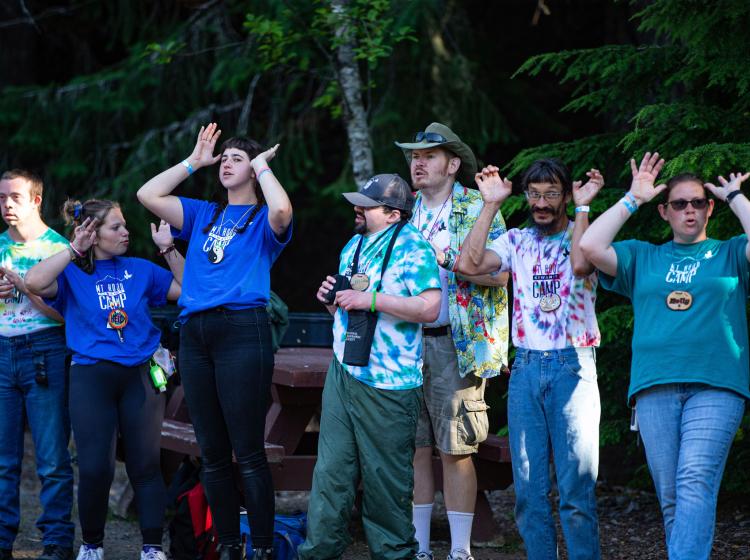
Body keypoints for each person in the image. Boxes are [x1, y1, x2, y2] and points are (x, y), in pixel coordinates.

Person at [579, 153, 750, 559]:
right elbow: (589, 246)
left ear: (710, 208)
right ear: (664, 211)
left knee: (694, 480)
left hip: (717, 385)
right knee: (673, 497)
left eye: (697, 203)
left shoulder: (731, 253)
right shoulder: (643, 256)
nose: (689, 210)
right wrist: (631, 199)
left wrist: (737, 197)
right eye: (679, 204)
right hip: (654, 386)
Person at [136, 123, 293, 560]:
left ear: (254, 170)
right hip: (197, 333)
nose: (226, 162)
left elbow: (282, 212)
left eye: (235, 158)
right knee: (212, 452)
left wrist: (262, 168)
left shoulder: (262, 218)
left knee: (248, 449)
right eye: (223, 157)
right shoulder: (205, 213)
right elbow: (148, 196)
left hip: (243, 330)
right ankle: (225, 545)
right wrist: (193, 161)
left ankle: (260, 547)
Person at [456, 160, 604, 560]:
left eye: (551, 194)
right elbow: (469, 265)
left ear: (565, 197)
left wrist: (584, 208)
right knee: (528, 492)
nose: (541, 202)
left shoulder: (582, 234)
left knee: (576, 491)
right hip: (525, 366)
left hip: (573, 363)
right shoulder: (517, 240)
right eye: (534, 194)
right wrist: (489, 205)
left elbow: (584, 262)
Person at [24, 199, 184, 560]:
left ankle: (152, 548)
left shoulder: (141, 270)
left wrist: (168, 248)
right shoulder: (72, 273)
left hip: (141, 374)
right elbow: (34, 281)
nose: (126, 232)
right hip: (91, 376)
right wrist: (72, 249)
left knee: (146, 464)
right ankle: (92, 545)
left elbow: (189, 289)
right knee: (96, 468)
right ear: (94, 235)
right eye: (116, 227)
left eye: (124, 225)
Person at [298, 174, 441, 560]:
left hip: (390, 385)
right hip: (345, 371)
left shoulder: (414, 248)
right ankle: (318, 553)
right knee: (330, 476)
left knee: (385, 485)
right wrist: (331, 299)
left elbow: (430, 307)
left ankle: (394, 555)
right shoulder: (354, 245)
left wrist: (372, 299)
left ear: (393, 214)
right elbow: (347, 309)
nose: (356, 209)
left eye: (366, 204)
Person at [393, 123, 509, 560]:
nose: (417, 164)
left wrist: (457, 265)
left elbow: (502, 274)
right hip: (403, 344)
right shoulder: (401, 210)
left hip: (456, 344)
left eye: (428, 156)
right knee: (416, 449)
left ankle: (460, 551)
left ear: (453, 164)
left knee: (455, 449)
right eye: (413, 157)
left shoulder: (479, 206)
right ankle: (419, 548)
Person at [0, 170, 74, 560]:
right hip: (1, 352)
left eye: (15, 197)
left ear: (35, 201)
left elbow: (71, 318)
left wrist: (26, 286)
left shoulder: (58, 248)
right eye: (1, 198)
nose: (7, 205)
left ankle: (57, 542)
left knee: (51, 458)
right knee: (3, 460)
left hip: (44, 349)